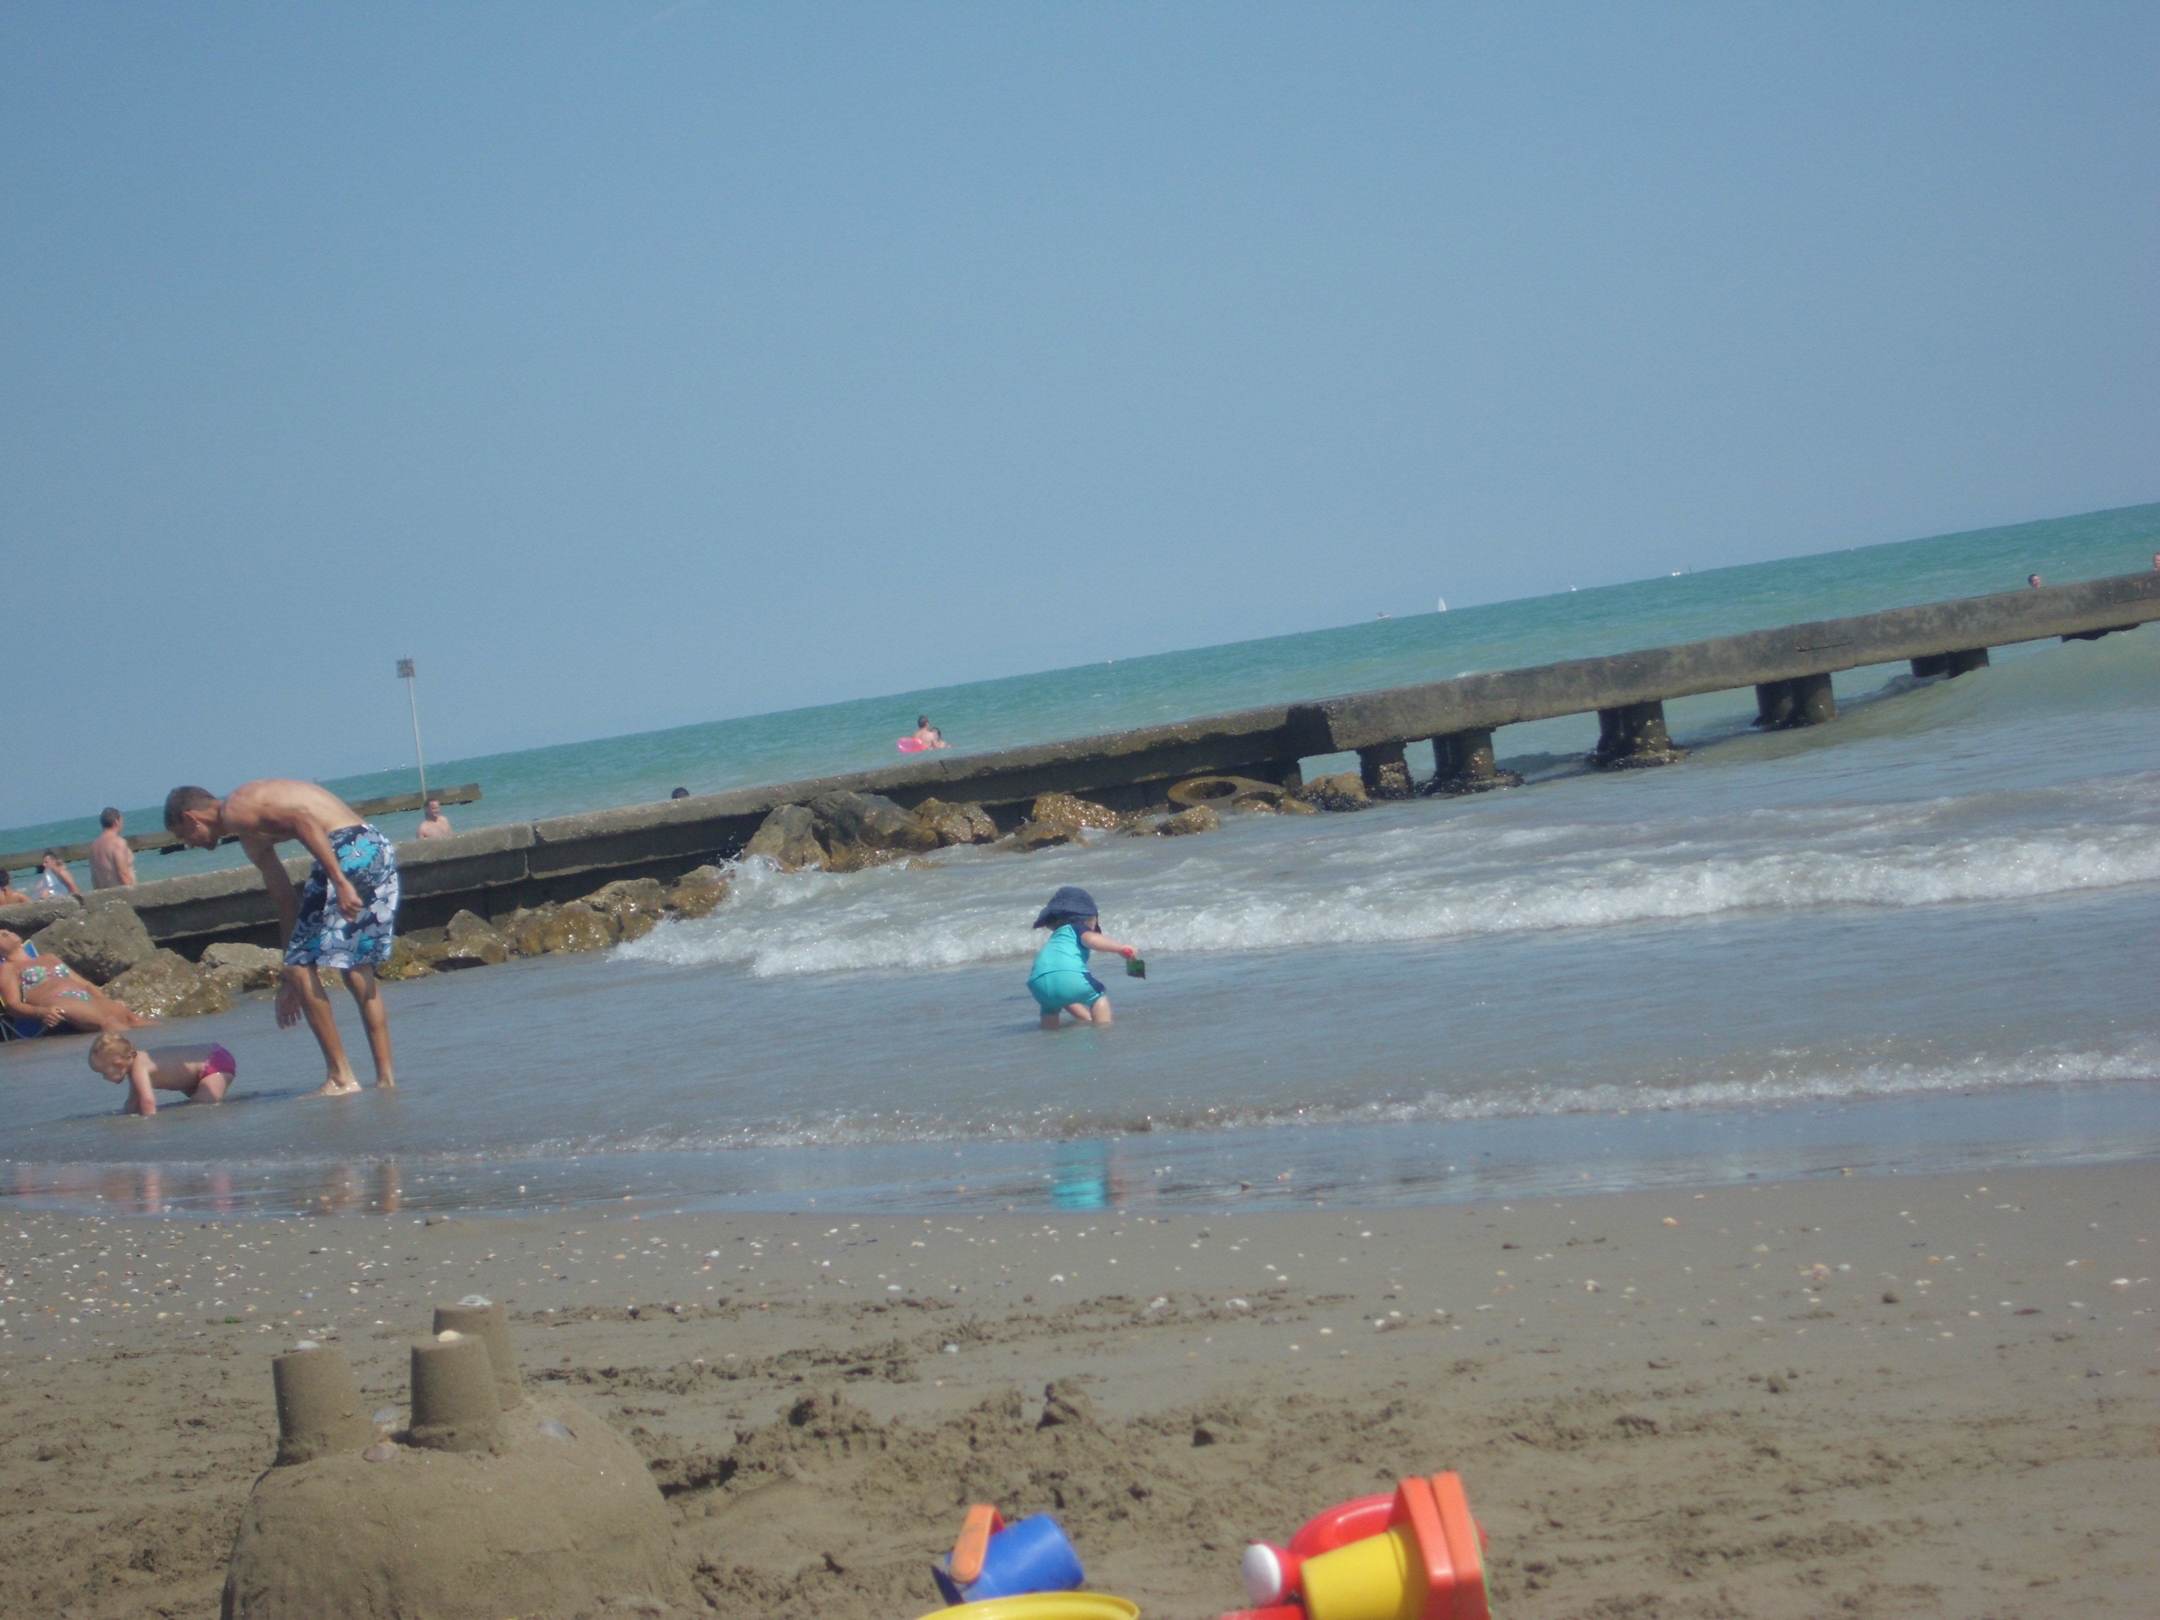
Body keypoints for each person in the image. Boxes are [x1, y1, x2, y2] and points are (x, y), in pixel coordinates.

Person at [163, 781, 399, 1095]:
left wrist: (339, 881)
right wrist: (289, 978)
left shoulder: (235, 810)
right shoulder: (249, 836)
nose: (189, 845)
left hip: (344, 849)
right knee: (356, 968)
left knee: (309, 966)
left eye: (183, 836)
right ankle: (386, 1082)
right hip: (372, 844)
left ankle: (341, 1078)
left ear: (191, 818)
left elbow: (303, 820)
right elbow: (286, 901)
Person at [0, 929, 153, 1036]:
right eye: (1, 935)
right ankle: (133, 1059)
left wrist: (105, 1000)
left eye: (5, 931)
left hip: (87, 996)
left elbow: (86, 984)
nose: (6, 932)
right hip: (60, 1001)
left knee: (133, 1019)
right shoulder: (8, 969)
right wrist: (41, 1012)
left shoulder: (49, 958)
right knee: (107, 1022)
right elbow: (13, 1005)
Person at [1027, 885, 1138, 1030]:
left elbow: (1065, 993)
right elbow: (1091, 939)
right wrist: (1120, 948)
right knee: (1098, 996)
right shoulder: (1077, 928)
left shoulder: (1055, 938)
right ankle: (1103, 1028)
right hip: (1068, 975)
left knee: (1054, 1005)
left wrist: (1086, 1018)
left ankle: (1050, 1033)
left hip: (1038, 983)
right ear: (1088, 918)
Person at [89, 1033, 236, 1115]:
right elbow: (133, 1103)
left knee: (201, 1107)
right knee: (195, 1106)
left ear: (118, 1063)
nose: (103, 1077)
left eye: (103, 1072)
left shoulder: (139, 1067)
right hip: (204, 1063)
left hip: (213, 1062)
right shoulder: (136, 1066)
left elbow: (148, 1102)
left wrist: (149, 1125)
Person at [89, 808, 137, 889]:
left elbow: (94, 879)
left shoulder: (94, 846)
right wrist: (134, 893)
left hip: (103, 894)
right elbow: (123, 874)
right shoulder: (118, 843)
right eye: (122, 820)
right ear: (116, 821)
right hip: (121, 893)